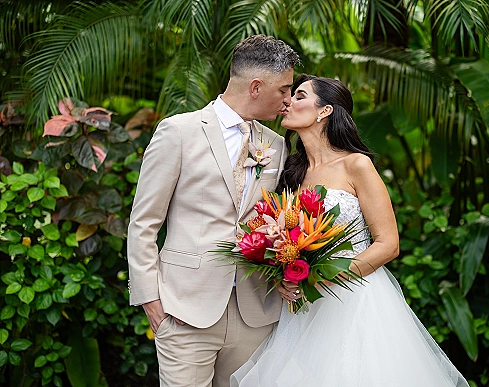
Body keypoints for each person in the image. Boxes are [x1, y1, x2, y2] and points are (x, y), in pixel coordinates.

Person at [230, 74, 470, 386]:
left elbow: (388, 244)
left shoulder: (356, 165)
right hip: (303, 308)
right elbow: (284, 238)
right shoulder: (291, 171)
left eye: (300, 95)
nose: (288, 101)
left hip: (354, 301)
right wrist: (285, 280)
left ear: (324, 111)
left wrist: (329, 276)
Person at [127, 35, 300, 387]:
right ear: (255, 87)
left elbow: (275, 220)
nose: (287, 101)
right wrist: (150, 298)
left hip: (255, 312)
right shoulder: (178, 131)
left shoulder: (276, 145)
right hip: (184, 309)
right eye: (284, 90)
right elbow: (144, 222)